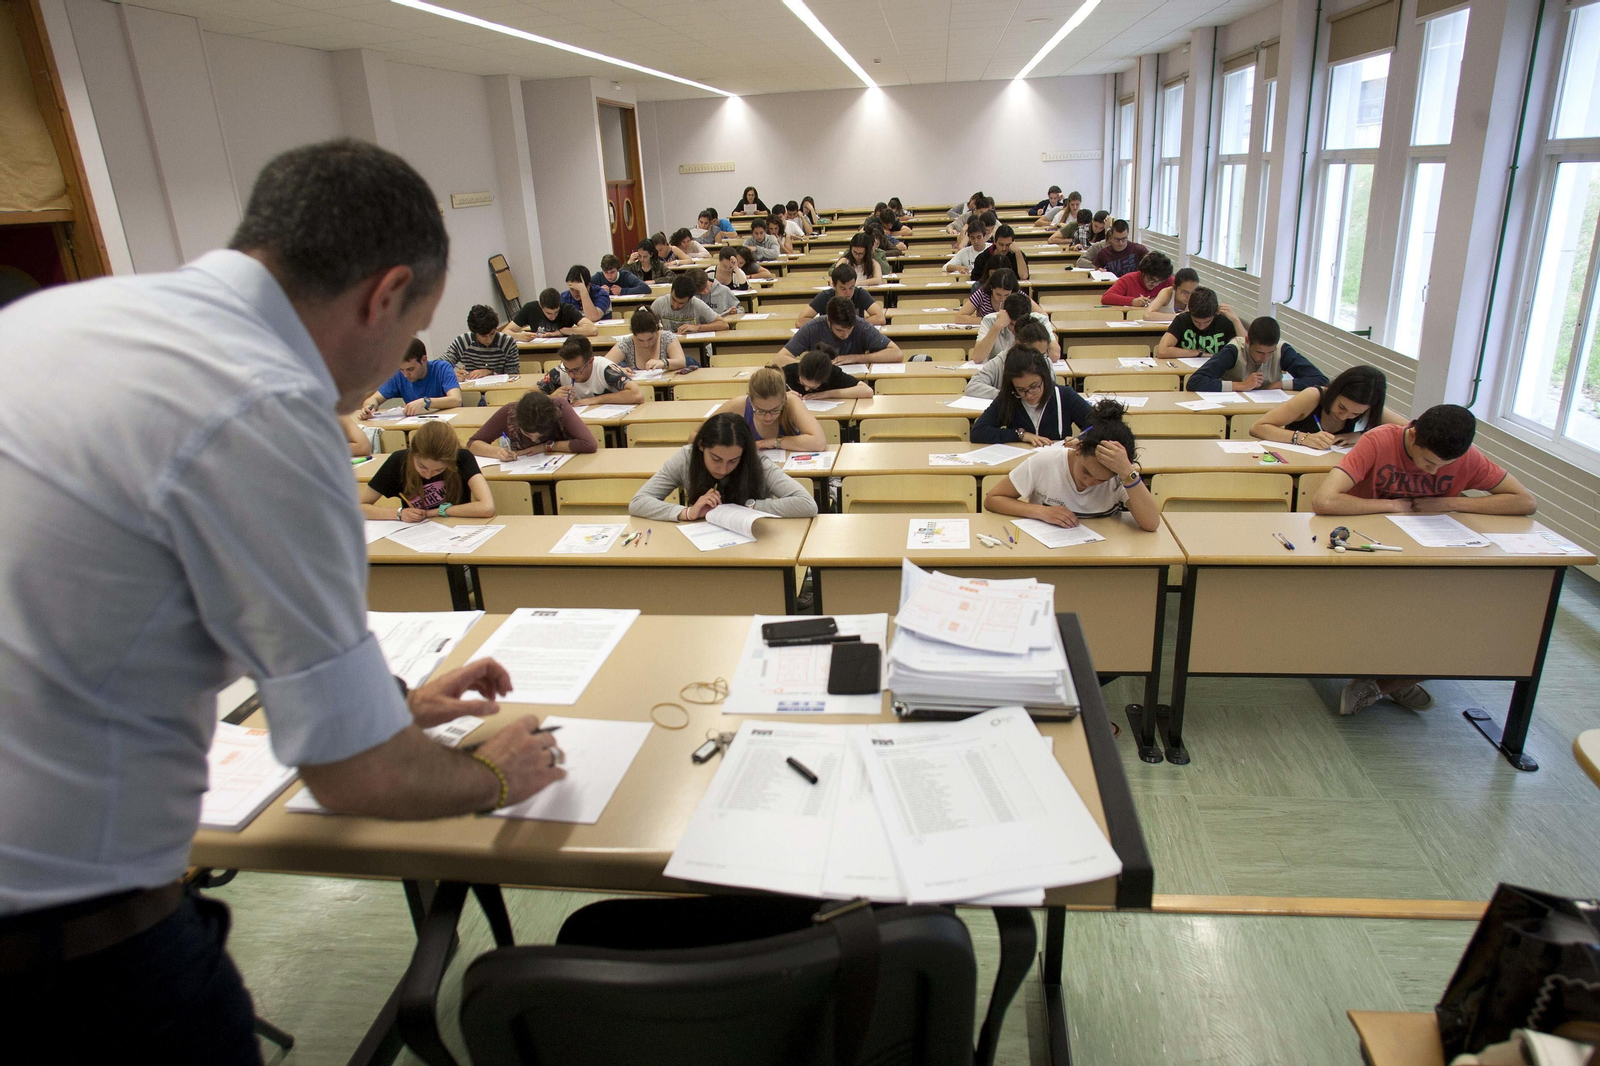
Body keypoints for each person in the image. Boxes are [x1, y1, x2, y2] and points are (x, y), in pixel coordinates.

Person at [0, 139, 573, 1063]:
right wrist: (498, 773)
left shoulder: (62, 318)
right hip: (68, 954)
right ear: (386, 296)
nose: (392, 371)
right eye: (406, 331)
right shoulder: (263, 405)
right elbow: (360, 779)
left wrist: (388, 707)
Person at [1312, 405, 1537, 715]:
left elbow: (1525, 501)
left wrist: (1448, 502)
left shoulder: (1466, 457)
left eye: (1444, 465)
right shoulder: (1379, 441)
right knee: (1399, 617)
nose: (1433, 472)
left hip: (1435, 557)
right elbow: (1324, 500)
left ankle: (1384, 684)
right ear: (1413, 433)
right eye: (1428, 462)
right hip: (1375, 555)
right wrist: (1391, 505)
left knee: (1466, 622)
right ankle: (1390, 679)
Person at [984, 399, 1159, 532]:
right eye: (1086, 471)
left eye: (1100, 480)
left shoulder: (1121, 475)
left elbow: (1151, 524)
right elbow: (992, 499)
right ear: (1078, 448)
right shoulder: (1045, 462)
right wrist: (1041, 512)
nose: (1089, 482)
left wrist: (1128, 472)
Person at [629, 413, 818, 521]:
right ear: (702, 446)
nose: (722, 469)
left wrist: (748, 506)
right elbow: (638, 502)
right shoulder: (686, 458)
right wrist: (687, 512)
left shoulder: (757, 462)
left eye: (733, 461)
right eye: (716, 459)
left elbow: (807, 504)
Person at [359, 419, 496, 522]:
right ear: (412, 453)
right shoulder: (398, 460)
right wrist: (399, 513)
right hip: (414, 534)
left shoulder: (462, 457)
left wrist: (434, 513)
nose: (429, 475)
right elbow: (359, 507)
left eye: (438, 470)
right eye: (422, 467)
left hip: (457, 528)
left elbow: (487, 507)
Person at [1251, 365, 1404, 448]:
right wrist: (1304, 438)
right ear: (1335, 391)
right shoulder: (1313, 396)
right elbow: (1258, 427)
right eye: (1341, 407)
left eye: (1355, 414)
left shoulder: (1367, 403)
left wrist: (1361, 436)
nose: (1344, 416)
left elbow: (1410, 430)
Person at [971, 345, 1093, 445]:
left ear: (1044, 377)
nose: (1028, 395)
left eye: (1034, 387)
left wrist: (1081, 439)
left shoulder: (1065, 396)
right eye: (1021, 389)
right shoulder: (1009, 398)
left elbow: (1100, 426)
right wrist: (1020, 435)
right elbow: (978, 432)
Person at [1187, 315, 1328, 393]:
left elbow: (1321, 380)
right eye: (1259, 352)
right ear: (1248, 340)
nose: (1264, 358)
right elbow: (1195, 382)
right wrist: (1241, 386)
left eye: (1270, 353)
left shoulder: (1282, 351)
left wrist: (1279, 384)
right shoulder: (1234, 350)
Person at [712, 366, 828, 451]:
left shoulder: (791, 403)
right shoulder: (738, 405)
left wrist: (772, 442)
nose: (767, 417)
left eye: (775, 410)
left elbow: (819, 442)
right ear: (750, 398)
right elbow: (697, 435)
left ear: (784, 397)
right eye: (759, 410)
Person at [467, 388, 597, 461]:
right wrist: (497, 451)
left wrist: (546, 446)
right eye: (528, 434)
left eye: (540, 435)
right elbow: (473, 443)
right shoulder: (510, 412)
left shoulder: (559, 407)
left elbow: (589, 444)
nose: (534, 439)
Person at [779, 296, 903, 365]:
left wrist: (855, 357)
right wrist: (812, 367)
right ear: (829, 321)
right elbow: (780, 358)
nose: (845, 334)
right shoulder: (812, 327)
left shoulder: (861, 325)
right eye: (839, 330)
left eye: (850, 329)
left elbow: (897, 354)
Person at [359, 338, 462, 417]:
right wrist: (369, 407)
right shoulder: (398, 375)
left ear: (423, 360)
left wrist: (425, 402)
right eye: (401, 369)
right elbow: (374, 399)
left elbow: (456, 400)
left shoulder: (442, 368)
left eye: (411, 369)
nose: (405, 375)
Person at [537, 336, 644, 407]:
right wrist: (552, 398)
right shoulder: (559, 372)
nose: (570, 374)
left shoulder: (606, 369)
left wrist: (596, 400)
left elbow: (637, 395)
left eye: (577, 370)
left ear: (590, 361)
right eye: (567, 369)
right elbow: (529, 396)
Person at [966, 318, 1055, 399]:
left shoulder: (1046, 362)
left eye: (1042, 354)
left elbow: (1051, 391)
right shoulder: (1001, 360)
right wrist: (1008, 397)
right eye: (1034, 354)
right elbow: (972, 386)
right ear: (1018, 345)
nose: (1039, 360)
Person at [972, 291, 1059, 368]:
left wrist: (1034, 328)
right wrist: (997, 326)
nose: (1015, 329)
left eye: (1020, 324)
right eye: (1012, 324)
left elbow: (1055, 355)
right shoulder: (990, 320)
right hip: (999, 371)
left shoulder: (1040, 320)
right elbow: (977, 358)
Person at [1155, 287, 1237, 361]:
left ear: (1215, 313)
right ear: (1189, 311)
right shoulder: (1182, 320)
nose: (1201, 326)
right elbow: (1162, 351)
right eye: (1196, 321)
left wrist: (1236, 320)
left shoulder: (1224, 322)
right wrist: (1199, 353)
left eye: (1207, 322)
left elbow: (1244, 352)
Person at [444, 304, 520, 379]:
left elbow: (512, 375)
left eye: (492, 333)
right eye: (483, 336)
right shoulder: (462, 342)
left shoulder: (507, 342)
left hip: (501, 389)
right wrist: (452, 374)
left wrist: (490, 372)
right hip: (472, 389)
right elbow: (439, 366)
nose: (489, 340)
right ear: (474, 332)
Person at [796, 263, 885, 327]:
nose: (848, 293)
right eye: (843, 288)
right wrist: (832, 325)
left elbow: (880, 318)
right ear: (834, 285)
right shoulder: (825, 296)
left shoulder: (860, 294)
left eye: (851, 287)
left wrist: (852, 324)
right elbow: (800, 321)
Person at [610, 307, 695, 371]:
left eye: (650, 339)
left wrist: (663, 363)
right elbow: (603, 364)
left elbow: (681, 362)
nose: (646, 344)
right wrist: (620, 370)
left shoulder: (667, 337)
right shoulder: (627, 342)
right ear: (633, 334)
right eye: (640, 340)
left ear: (656, 329)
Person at [782, 345, 873, 400]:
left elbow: (867, 391)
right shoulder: (789, 371)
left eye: (813, 387)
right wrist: (783, 395)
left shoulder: (833, 373)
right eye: (802, 382)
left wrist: (826, 394)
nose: (806, 389)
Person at [651, 273, 730, 334]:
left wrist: (697, 327)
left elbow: (723, 324)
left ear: (690, 299)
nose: (675, 305)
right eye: (673, 299)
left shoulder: (696, 304)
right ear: (671, 291)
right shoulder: (660, 303)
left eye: (681, 303)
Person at [956, 268, 1039, 324]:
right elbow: (959, 317)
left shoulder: (1018, 295)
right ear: (991, 288)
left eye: (1007, 295)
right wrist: (989, 321)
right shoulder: (982, 293)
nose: (1002, 299)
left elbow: (1042, 314)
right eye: (998, 294)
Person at [508, 287, 596, 338]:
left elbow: (592, 329)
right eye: (548, 313)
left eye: (556, 312)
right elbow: (505, 332)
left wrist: (563, 331)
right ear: (540, 305)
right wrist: (520, 336)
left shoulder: (567, 309)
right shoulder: (530, 308)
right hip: (538, 349)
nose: (553, 317)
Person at [1101, 252, 1174, 308]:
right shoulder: (1128, 279)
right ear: (1143, 272)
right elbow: (1107, 297)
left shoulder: (1167, 279)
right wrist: (1132, 301)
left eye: (1160, 281)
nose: (1155, 284)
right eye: (1151, 280)